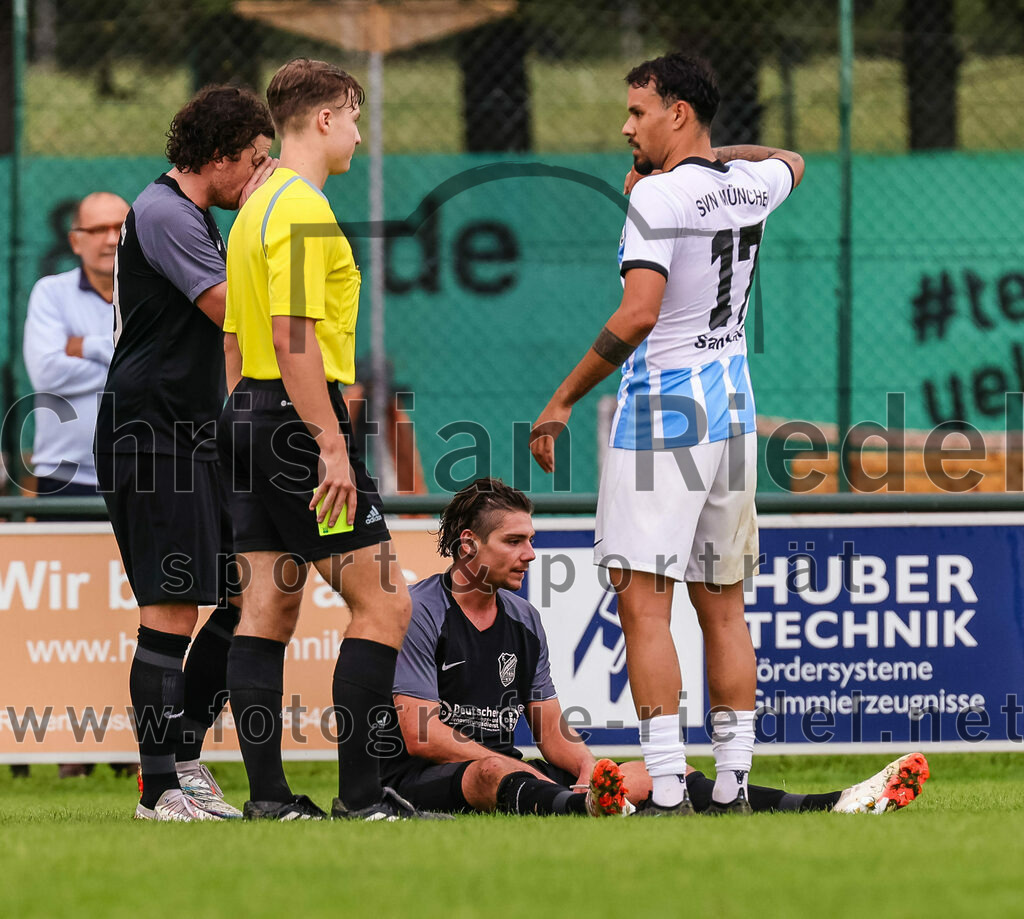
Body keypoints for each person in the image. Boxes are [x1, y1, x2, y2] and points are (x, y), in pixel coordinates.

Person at [530, 53, 805, 815]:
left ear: (678, 112)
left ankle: (670, 788)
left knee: (644, 605)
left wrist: (562, 398)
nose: (627, 126)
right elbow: (793, 160)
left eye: (639, 111)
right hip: (733, 409)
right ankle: (733, 782)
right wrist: (722, 156)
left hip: (664, 416)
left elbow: (638, 312)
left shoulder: (656, 198)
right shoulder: (746, 184)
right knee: (723, 605)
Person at [382, 478, 931, 817]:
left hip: (514, 774)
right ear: (467, 544)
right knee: (490, 776)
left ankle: (830, 805)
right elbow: (421, 735)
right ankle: (589, 808)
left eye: (532, 539)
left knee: (659, 773)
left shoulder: (524, 618)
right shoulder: (421, 610)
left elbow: (550, 731)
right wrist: (507, 764)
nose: (530, 554)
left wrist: (594, 772)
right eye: (515, 541)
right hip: (422, 781)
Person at [219, 58, 419, 821]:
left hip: (248, 413)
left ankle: (270, 799)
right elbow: (293, 336)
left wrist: (246, 421)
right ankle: (364, 799)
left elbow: (236, 341)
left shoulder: (253, 204)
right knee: (384, 605)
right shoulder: (299, 207)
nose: (360, 136)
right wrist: (329, 444)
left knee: (267, 609)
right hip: (297, 424)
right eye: (355, 119)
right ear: (326, 119)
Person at [94, 86, 277, 821]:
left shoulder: (196, 214)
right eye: (256, 162)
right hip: (151, 430)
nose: (260, 175)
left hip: (192, 432)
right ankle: (156, 785)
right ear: (222, 154)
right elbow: (228, 307)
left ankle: (187, 755)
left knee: (242, 590)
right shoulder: (167, 211)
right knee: (170, 608)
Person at [22, 191, 132, 780]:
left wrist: (80, 349)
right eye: (98, 229)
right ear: (76, 239)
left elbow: (156, 371)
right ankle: (72, 745)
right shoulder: (50, 294)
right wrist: (117, 352)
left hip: (133, 475)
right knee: (70, 620)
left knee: (130, 613)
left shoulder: (148, 288)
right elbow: (44, 372)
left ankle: (125, 742)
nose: (110, 238)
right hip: (64, 479)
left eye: (120, 226)